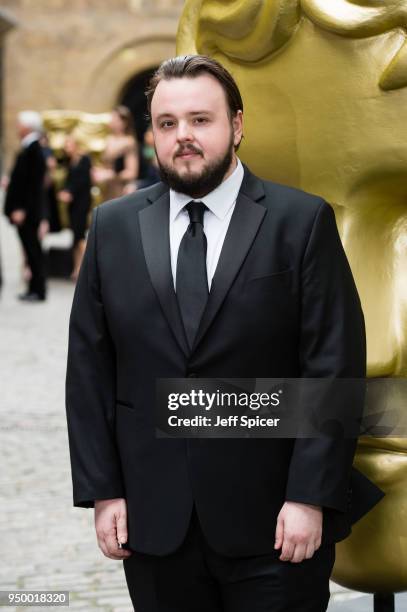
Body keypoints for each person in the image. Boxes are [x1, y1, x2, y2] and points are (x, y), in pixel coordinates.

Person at [66, 55, 384, 611]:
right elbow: (89, 368)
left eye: (200, 120)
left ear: (237, 124)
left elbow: (333, 365)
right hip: (153, 522)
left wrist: (309, 497)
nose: (183, 137)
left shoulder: (301, 221)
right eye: (167, 123)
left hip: (276, 525)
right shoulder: (112, 227)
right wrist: (103, 491)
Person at [4, 111, 47, 301]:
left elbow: (31, 185)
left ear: (28, 126)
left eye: (20, 124)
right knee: (29, 251)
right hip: (25, 210)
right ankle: (33, 288)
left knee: (33, 251)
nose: (17, 127)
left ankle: (38, 290)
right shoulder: (29, 148)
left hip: (27, 212)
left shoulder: (34, 149)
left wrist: (22, 208)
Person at [58, 133, 92, 281]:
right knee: (75, 236)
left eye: (69, 144)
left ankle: (86, 267)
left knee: (79, 236)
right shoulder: (69, 160)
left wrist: (70, 192)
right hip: (72, 203)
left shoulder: (84, 159)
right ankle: (76, 268)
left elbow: (83, 180)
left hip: (82, 201)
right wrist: (66, 191)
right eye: (65, 145)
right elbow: (68, 180)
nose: (67, 147)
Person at [92, 105, 139, 200]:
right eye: (112, 118)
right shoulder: (108, 139)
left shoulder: (128, 142)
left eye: (115, 118)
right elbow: (105, 165)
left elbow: (131, 172)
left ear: (124, 122)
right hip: (106, 189)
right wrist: (98, 170)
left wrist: (110, 175)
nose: (112, 121)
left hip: (120, 190)